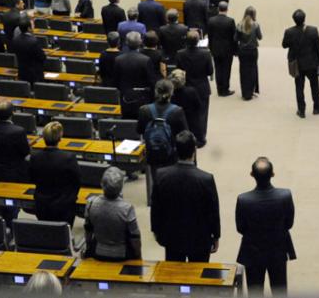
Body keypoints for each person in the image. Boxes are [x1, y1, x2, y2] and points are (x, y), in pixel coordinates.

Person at [150, 130, 220, 262]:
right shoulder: (206, 179)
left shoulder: (161, 175)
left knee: (174, 278)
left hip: (172, 237)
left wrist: (156, 231)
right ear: (194, 150)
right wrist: (216, 236)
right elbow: (213, 211)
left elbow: (156, 207)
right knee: (199, 277)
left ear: (175, 150)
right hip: (200, 239)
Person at [235, 157, 296, 294]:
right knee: (279, 291)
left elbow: (240, 228)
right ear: (273, 174)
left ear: (252, 175)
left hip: (253, 252)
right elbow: (289, 223)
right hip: (278, 250)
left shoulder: (243, 200)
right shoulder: (285, 196)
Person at [0, 101, 30, 224]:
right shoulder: (18, 131)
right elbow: (25, 152)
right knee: (11, 206)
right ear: (12, 114)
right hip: (13, 173)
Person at [29, 121, 82, 226]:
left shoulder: (35, 157)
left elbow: (32, 178)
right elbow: (77, 180)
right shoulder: (68, 158)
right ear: (59, 138)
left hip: (42, 204)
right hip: (64, 205)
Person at [84, 166, 142, 260]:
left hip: (98, 252)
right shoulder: (127, 208)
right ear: (121, 187)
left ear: (102, 184)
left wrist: (88, 249)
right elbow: (135, 237)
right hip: (122, 254)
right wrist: (138, 256)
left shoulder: (90, 203)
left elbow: (88, 231)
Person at [282, 9, 319, 118]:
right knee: (314, 86)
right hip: (311, 64)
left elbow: (284, 45)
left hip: (297, 65)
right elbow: (318, 48)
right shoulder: (313, 30)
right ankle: (317, 107)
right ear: (304, 18)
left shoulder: (289, 32)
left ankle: (301, 110)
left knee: (299, 87)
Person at [137, 79, 189, 171]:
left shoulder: (144, 110)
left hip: (151, 154)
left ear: (155, 91)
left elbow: (139, 130)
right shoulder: (178, 111)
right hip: (171, 156)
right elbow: (185, 134)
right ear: (171, 92)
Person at [176, 31, 214, 147]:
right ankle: (201, 138)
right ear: (198, 41)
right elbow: (210, 71)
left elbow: (179, 70)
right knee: (202, 113)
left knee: (187, 113)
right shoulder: (206, 54)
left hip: (186, 86)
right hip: (202, 87)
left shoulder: (180, 54)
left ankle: (189, 137)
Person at [113, 32, 155, 118]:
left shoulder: (118, 59)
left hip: (125, 97)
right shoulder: (146, 60)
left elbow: (115, 81)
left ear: (126, 43)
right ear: (140, 42)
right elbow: (151, 81)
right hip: (142, 98)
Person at [207, 1, 237, 97]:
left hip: (215, 48)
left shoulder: (211, 20)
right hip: (228, 50)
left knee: (218, 68)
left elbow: (210, 37)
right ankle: (225, 89)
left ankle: (219, 89)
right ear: (227, 9)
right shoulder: (230, 21)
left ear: (218, 9)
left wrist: (211, 48)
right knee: (226, 70)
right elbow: (234, 37)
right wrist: (235, 50)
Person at [235, 6, 263, 100]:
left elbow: (235, 38)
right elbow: (260, 37)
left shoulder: (239, 24)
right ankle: (251, 92)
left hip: (242, 51)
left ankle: (245, 93)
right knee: (252, 70)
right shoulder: (256, 25)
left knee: (243, 71)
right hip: (253, 51)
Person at [11, 18, 47, 86]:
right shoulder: (33, 41)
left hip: (22, 72)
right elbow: (42, 57)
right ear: (29, 28)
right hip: (34, 73)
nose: (34, 26)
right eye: (33, 25)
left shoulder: (15, 40)